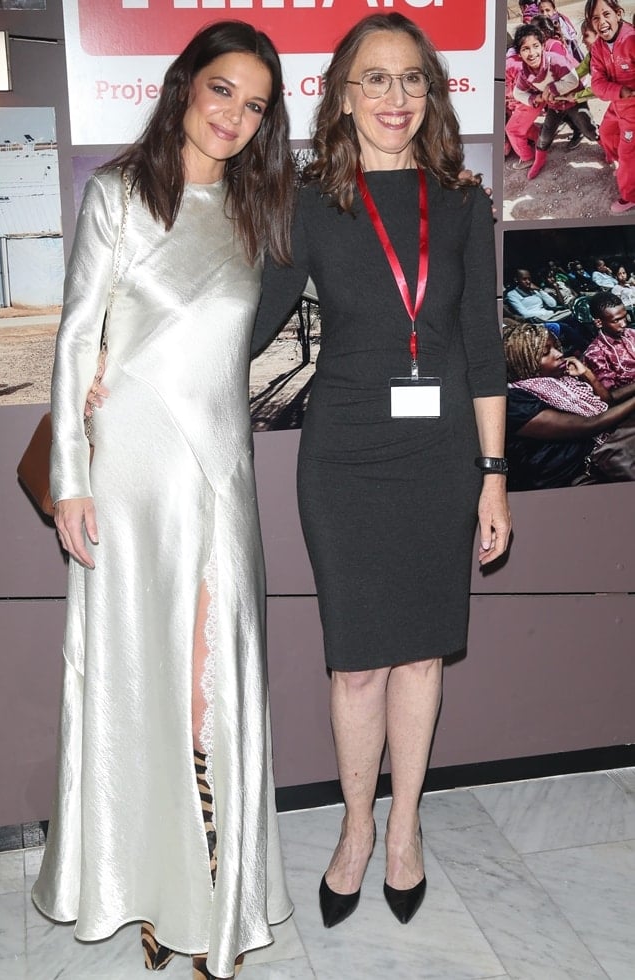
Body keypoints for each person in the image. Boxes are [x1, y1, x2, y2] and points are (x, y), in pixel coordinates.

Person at [31, 21, 295, 979]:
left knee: (211, 685)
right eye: (223, 90)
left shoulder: (260, 207)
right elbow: (73, 340)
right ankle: (161, 885)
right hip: (133, 476)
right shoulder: (115, 195)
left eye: (257, 104)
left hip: (221, 472)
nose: (234, 115)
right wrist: (69, 475)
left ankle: (211, 889)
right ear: (187, 85)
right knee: (147, 685)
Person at [252, 12, 511, 930]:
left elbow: (483, 347)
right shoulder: (310, 200)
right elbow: (250, 324)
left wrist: (493, 475)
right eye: (376, 79)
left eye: (412, 80)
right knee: (359, 663)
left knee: (422, 652)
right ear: (344, 93)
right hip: (346, 458)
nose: (396, 98)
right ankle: (356, 829)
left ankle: (406, 829)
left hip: (442, 458)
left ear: (431, 96)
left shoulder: (466, 204)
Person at [504, 320, 635, 488]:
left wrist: (588, 375)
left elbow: (607, 404)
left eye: (556, 347)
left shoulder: (562, 380)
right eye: (545, 353)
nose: (558, 354)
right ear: (522, 362)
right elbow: (591, 424)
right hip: (575, 475)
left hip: (601, 454)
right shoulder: (515, 402)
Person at [507, 24, 598, 179]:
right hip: (554, 106)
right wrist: (534, 98)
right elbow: (517, 92)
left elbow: (572, 80)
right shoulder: (524, 72)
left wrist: (552, 89)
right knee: (544, 136)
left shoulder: (555, 60)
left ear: (543, 46)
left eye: (535, 46)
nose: (531, 53)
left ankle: (609, 151)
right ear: (519, 53)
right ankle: (538, 162)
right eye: (525, 49)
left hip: (573, 101)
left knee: (588, 129)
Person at [586, 0, 635, 213]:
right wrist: (619, 91)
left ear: (618, 13)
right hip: (618, 105)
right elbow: (597, 83)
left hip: (633, 111)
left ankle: (630, 196)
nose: (602, 22)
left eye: (606, 14)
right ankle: (625, 168)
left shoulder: (632, 39)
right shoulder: (597, 47)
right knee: (606, 132)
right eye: (595, 18)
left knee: (628, 153)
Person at [583, 291, 635, 389]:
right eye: (616, 320)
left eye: (624, 317)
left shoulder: (631, 333)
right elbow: (611, 394)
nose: (624, 324)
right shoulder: (595, 354)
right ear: (599, 322)